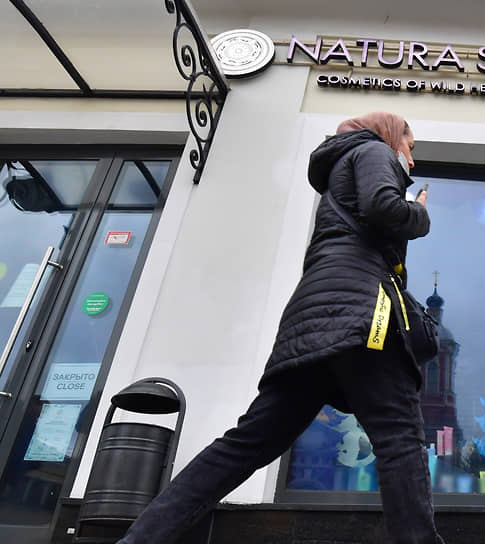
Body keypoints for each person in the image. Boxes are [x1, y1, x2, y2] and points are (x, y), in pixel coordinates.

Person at [117, 112, 444, 544]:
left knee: (246, 444)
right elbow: (383, 207)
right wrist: (419, 213)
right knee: (400, 439)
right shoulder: (373, 150)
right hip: (364, 316)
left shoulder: (339, 171)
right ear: (392, 135)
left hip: (312, 322)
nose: (412, 160)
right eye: (410, 147)